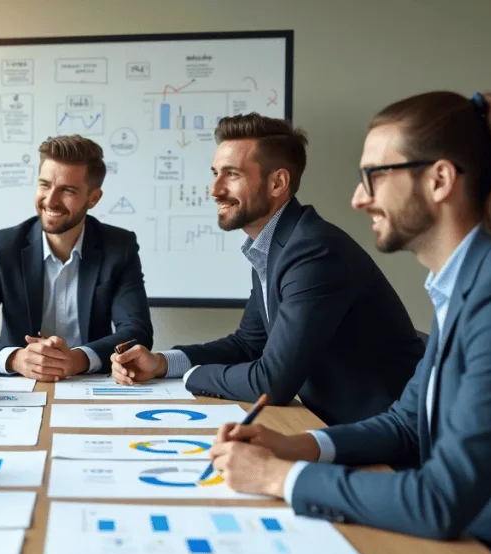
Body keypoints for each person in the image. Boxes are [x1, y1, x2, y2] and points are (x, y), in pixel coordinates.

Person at [209, 91, 491, 554]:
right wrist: (297, 445)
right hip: (468, 539)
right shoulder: (469, 282)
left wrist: (280, 477)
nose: (358, 198)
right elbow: (406, 423)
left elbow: (441, 499)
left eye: (374, 176)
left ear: (439, 179)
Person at [111, 113, 424, 426]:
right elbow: (248, 344)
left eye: (231, 175)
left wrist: (192, 375)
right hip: (337, 426)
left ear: (278, 182)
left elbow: (271, 383)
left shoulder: (313, 252)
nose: (214, 189)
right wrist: (162, 363)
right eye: (215, 173)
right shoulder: (276, 246)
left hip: (388, 441)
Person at [0, 135, 153, 382]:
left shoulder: (119, 247)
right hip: (19, 386)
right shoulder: (3, 247)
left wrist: (77, 359)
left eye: (67, 190)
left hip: (90, 383)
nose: (50, 200)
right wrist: (16, 358)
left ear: (93, 198)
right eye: (45, 185)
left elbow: (137, 333)